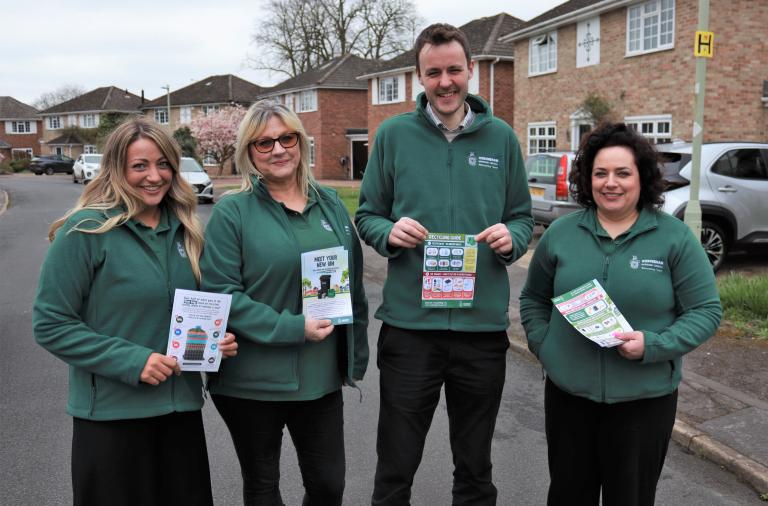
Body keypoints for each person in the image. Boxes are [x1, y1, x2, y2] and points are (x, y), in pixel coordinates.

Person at [355, 23, 534, 505]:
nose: (445, 82)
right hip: (411, 330)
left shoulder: (502, 139)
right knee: (395, 465)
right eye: (433, 73)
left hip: (480, 332)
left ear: (470, 70)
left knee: (475, 468)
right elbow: (367, 214)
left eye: (454, 70)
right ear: (419, 78)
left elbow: (522, 218)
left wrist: (510, 237)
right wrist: (388, 233)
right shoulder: (393, 135)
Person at [32, 117, 238, 506]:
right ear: (117, 169)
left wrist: (215, 342)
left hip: (179, 414)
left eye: (163, 164)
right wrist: (133, 361)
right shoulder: (85, 230)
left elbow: (185, 313)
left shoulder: (186, 230)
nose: (154, 176)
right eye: (139, 166)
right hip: (112, 419)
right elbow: (50, 323)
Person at [519, 122, 722, 506]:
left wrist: (655, 344)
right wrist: (545, 346)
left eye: (622, 173)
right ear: (587, 179)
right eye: (600, 173)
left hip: (643, 403)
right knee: (567, 496)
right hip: (569, 399)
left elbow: (705, 311)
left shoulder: (673, 238)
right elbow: (532, 299)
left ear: (642, 178)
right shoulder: (561, 234)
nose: (610, 183)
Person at [200, 100, 369, 506]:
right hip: (251, 382)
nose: (278, 150)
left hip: (319, 377)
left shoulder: (329, 203)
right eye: (264, 143)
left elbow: (354, 284)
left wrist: (354, 357)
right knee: (263, 489)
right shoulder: (232, 213)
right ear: (248, 153)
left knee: (328, 486)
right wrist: (294, 327)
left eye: (286, 138)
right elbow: (222, 295)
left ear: (299, 142)